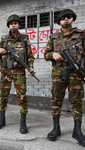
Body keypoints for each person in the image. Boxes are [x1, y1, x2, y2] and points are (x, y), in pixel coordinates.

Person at [44, 9, 85, 146]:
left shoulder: (81, 34)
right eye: (63, 18)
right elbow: (46, 54)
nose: (65, 19)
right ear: (59, 22)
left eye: (68, 17)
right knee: (56, 100)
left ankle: (77, 130)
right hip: (58, 74)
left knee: (77, 101)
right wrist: (52, 55)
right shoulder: (54, 37)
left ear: (73, 19)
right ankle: (56, 128)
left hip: (76, 73)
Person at [0, 14, 35, 134]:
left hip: (19, 72)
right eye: (11, 23)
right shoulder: (3, 39)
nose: (13, 25)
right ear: (9, 25)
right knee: (3, 96)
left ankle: (23, 123)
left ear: (19, 25)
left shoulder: (25, 39)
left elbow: (30, 56)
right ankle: (2, 120)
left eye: (15, 23)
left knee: (22, 97)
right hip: (5, 72)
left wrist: (30, 67)